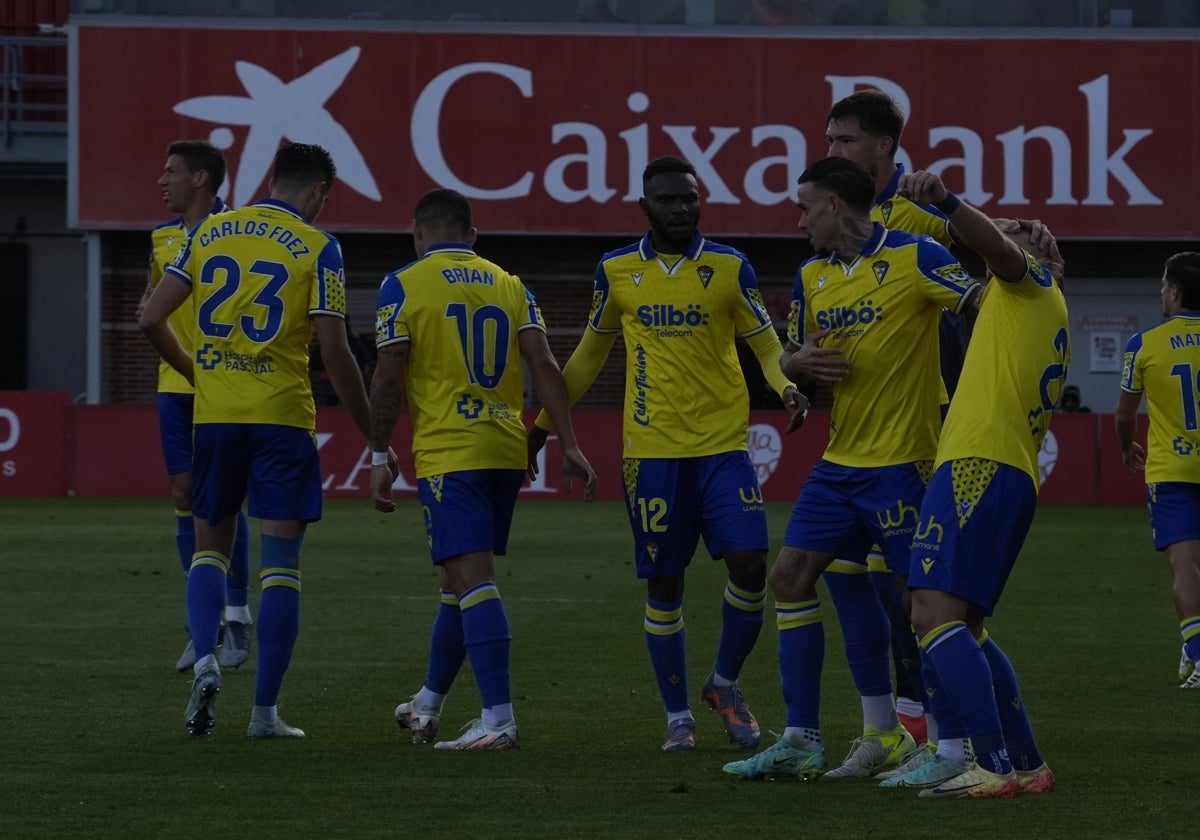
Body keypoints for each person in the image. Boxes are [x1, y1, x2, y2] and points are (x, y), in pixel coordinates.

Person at [529, 155, 807, 752]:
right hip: (651, 453)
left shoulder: (730, 267)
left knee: (752, 564)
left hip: (724, 448)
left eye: (690, 198)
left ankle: (725, 683)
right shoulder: (617, 271)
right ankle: (678, 715)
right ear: (645, 208)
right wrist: (543, 426)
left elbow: (765, 344)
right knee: (665, 583)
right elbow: (586, 357)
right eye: (669, 200)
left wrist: (785, 386)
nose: (682, 208)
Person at [722, 156, 979, 782]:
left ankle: (950, 750)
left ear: (835, 206)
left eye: (804, 207)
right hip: (840, 461)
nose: (799, 220)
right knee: (790, 577)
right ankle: (805, 738)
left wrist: (1027, 264)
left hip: (906, 461)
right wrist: (798, 363)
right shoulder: (812, 275)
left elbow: (983, 303)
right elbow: (788, 354)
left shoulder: (917, 257)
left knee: (921, 603)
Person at [139, 142, 375, 739]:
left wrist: (199, 373)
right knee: (281, 566)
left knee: (209, 547)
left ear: (272, 179)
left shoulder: (212, 230)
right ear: (320, 192)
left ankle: (209, 656)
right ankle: (265, 714)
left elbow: (149, 317)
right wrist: (374, 431)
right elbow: (335, 348)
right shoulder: (320, 246)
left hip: (214, 417)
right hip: (281, 419)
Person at [369, 188, 597, 752]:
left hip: (452, 452)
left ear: (417, 232)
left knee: (474, 580)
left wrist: (378, 452)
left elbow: (387, 377)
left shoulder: (403, 283)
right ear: (472, 235)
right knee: (457, 580)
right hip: (505, 447)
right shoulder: (510, 283)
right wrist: (565, 441)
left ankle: (498, 720)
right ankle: (428, 703)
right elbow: (544, 364)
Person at [893, 170, 1066, 797]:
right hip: (1000, 467)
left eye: (1019, 231)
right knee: (963, 626)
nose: (1004, 232)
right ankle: (1026, 763)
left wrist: (944, 201)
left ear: (1042, 257)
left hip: (977, 463)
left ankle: (990, 766)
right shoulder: (1022, 308)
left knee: (930, 611)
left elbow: (994, 248)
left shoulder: (1031, 286)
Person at [825, 87, 971, 750]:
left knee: (912, 584)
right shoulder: (834, 218)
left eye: (844, 141)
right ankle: (895, 722)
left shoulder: (917, 218)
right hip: (855, 433)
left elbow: (983, 251)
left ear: (884, 145)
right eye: (829, 141)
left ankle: (935, 721)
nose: (832, 152)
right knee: (844, 575)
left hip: (924, 420)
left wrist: (968, 212)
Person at [138, 140, 253, 673]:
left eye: (171, 172)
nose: (160, 181)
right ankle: (201, 623)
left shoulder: (237, 233)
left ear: (202, 179)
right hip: (176, 384)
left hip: (222, 385)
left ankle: (237, 614)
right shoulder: (161, 238)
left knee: (224, 502)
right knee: (184, 493)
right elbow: (151, 303)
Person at [1116, 252, 1200, 691]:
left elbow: (1124, 415)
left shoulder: (1144, 343)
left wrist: (1126, 446)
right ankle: (1194, 649)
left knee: (1185, 566)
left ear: (1175, 291)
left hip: (1172, 471)